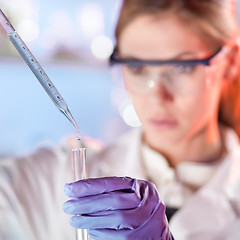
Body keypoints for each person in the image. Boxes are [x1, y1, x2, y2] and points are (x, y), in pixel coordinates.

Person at [1, 0, 240, 239]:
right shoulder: (55, 179)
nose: (157, 96)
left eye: (182, 67)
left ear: (230, 62)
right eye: (137, 67)